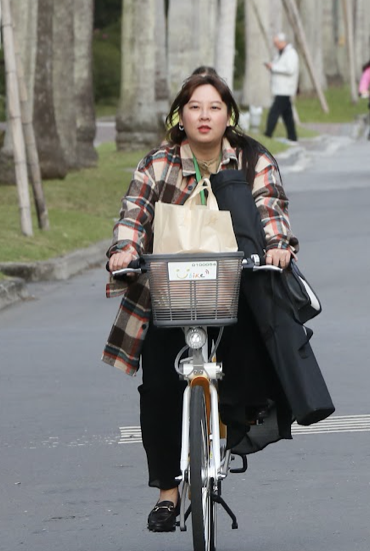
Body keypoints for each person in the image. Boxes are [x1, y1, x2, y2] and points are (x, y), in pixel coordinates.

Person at [104, 68, 296, 533]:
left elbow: (271, 207)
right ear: (181, 115)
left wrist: (278, 244)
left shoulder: (253, 159)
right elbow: (135, 212)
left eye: (214, 107)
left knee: (253, 352)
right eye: (195, 107)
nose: (204, 116)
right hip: (169, 288)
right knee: (158, 387)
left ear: (228, 114)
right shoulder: (158, 162)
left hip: (236, 284)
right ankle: (168, 493)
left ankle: (226, 426)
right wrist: (124, 251)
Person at [263, 34, 299, 141]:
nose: (275, 46)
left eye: (276, 43)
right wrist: (271, 66)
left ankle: (268, 134)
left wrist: (274, 67)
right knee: (287, 115)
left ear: (282, 42)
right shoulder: (280, 53)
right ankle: (292, 137)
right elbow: (278, 65)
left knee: (274, 112)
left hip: (285, 89)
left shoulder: (291, 53)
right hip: (280, 89)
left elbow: (290, 69)